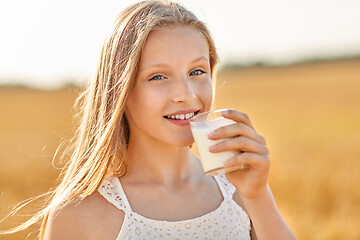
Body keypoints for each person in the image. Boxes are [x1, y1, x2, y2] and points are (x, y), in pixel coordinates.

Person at [1, 0, 297, 239]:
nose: (186, 94)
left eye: (197, 71)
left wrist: (259, 196)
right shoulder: (81, 215)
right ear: (120, 90)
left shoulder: (239, 190)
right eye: (158, 76)